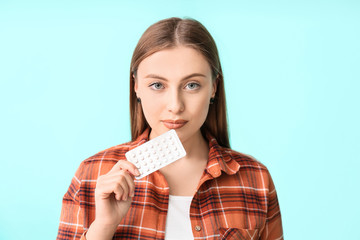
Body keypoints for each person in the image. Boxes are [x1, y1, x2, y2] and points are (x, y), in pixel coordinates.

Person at [57, 17, 283, 240]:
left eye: (192, 85)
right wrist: (104, 226)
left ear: (213, 87)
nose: (175, 106)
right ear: (136, 86)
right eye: (157, 85)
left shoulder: (255, 179)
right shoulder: (92, 176)